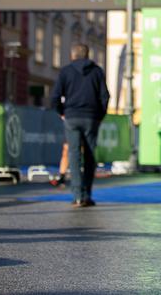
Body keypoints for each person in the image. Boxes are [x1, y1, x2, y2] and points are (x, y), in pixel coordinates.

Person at [50, 44, 109, 208]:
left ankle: (77, 196)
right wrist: (99, 116)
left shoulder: (66, 71)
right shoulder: (97, 71)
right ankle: (87, 194)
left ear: (72, 55)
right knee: (90, 155)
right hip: (91, 118)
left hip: (72, 117)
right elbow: (105, 96)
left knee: (74, 155)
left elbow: (55, 97)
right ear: (88, 55)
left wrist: (62, 113)